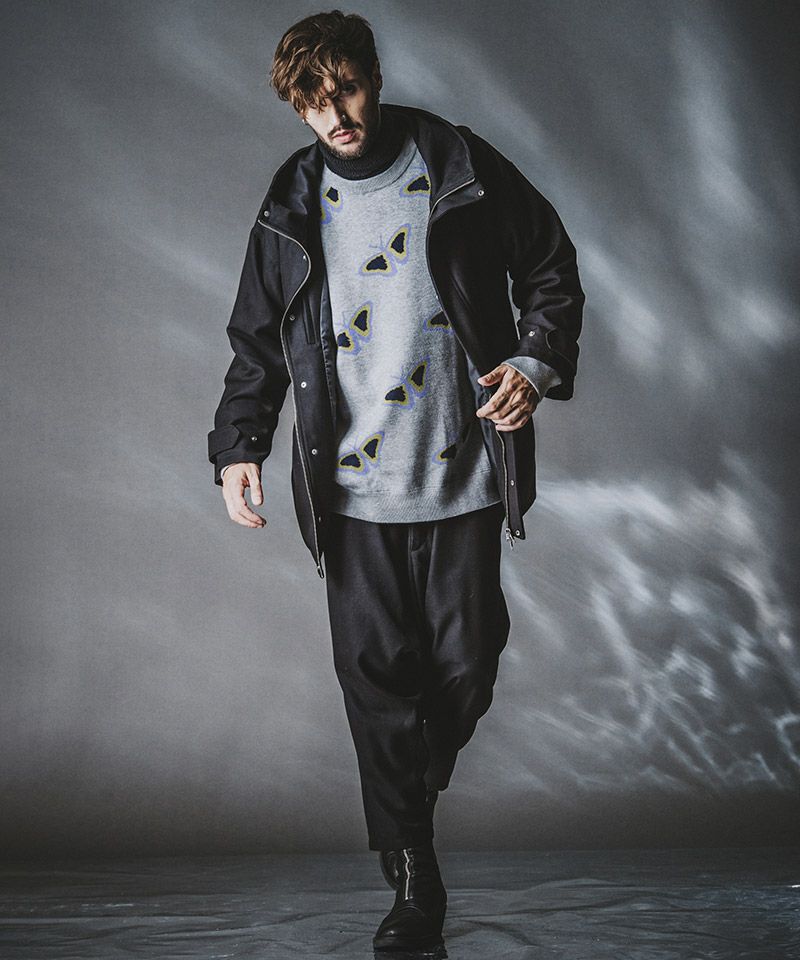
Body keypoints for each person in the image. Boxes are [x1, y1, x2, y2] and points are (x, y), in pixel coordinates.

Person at [207, 9, 585, 952]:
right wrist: (239, 445)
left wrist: (534, 363)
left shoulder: (456, 162)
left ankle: (404, 797)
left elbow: (550, 265)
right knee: (376, 683)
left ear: (374, 76)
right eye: (313, 101)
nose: (335, 114)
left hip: (463, 474)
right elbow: (256, 339)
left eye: (346, 88)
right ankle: (415, 873)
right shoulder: (290, 202)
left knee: (467, 664)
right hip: (350, 493)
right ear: (297, 107)